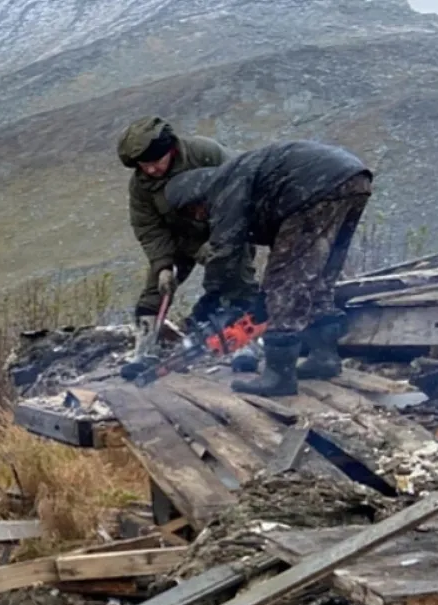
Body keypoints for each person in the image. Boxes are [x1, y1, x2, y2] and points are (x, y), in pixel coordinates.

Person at [165, 141, 374, 397]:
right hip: (353, 179)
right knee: (319, 277)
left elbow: (225, 250)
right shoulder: (239, 178)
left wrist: (212, 298)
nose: (198, 218)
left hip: (317, 187)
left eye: (194, 213)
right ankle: (324, 357)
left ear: (194, 200)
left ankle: (278, 376)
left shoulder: (223, 189)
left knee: (283, 285)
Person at [116, 117, 256, 338]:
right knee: (157, 291)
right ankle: (147, 341)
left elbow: (242, 191)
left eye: (157, 161)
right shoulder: (140, 186)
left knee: (232, 279)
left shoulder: (204, 153)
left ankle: (244, 332)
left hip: (226, 231)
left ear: (170, 150)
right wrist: (163, 265)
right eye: (144, 165)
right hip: (181, 238)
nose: (151, 169)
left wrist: (220, 240)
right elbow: (148, 227)